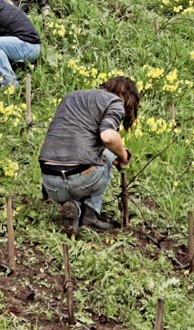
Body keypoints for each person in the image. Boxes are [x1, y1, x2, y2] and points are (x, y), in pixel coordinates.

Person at [38, 75, 139, 233]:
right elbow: (108, 137)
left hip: (51, 183)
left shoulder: (71, 97)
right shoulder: (115, 101)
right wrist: (123, 156)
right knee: (109, 155)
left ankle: (75, 208)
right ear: (127, 98)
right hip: (81, 180)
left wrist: (45, 194)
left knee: (75, 152)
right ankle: (90, 217)